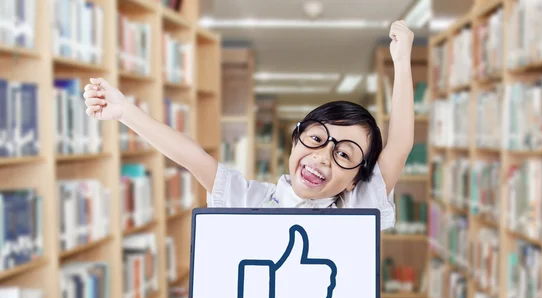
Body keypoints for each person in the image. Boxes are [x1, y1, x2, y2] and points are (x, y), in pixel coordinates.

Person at [83, 21, 415, 231]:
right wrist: (125, 112)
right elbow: (193, 157)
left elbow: (399, 145)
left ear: (355, 179)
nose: (324, 155)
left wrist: (400, 63)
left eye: (344, 154)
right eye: (316, 138)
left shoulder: (357, 211)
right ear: (296, 139)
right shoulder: (249, 200)